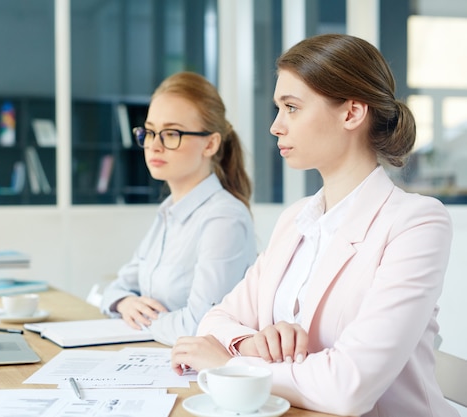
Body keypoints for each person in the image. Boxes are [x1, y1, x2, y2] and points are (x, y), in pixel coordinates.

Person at [171, 34, 457, 417]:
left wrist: (231, 366)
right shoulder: (297, 219)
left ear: (352, 113)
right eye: (278, 108)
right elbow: (216, 319)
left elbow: (348, 387)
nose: (275, 126)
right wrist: (255, 343)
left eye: (291, 107)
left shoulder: (416, 223)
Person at [100, 71, 258, 346]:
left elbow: (201, 325)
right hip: (155, 356)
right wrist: (125, 303)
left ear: (210, 143)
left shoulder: (223, 218)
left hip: (197, 375)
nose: (155, 146)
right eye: (149, 132)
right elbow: (117, 287)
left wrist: (144, 321)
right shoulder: (169, 212)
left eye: (171, 133)